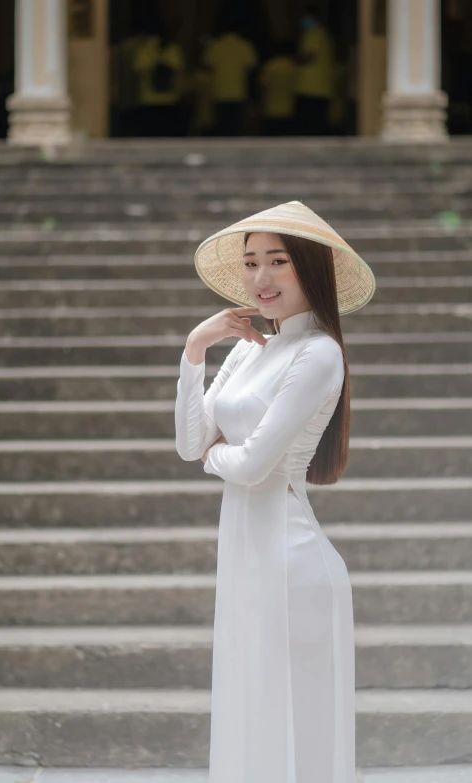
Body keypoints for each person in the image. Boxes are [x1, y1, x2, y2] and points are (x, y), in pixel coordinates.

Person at [175, 200, 376, 782]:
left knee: (300, 727)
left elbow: (254, 466)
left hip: (292, 566)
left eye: (278, 261)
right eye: (251, 263)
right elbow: (192, 444)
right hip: (246, 556)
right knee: (252, 712)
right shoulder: (247, 348)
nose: (261, 278)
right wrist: (195, 349)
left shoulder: (319, 353)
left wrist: (218, 455)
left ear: (310, 268)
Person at [203, 21, 258, 135]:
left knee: (222, 123)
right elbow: (251, 66)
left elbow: (207, 65)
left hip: (220, 90)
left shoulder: (216, 45)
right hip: (238, 91)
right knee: (236, 123)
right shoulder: (244, 45)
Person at [132, 29, 185, 137]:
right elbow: (180, 72)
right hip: (170, 99)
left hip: (148, 99)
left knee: (150, 136)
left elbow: (137, 71)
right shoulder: (173, 49)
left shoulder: (144, 50)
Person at [294, 3, 335, 135]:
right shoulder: (324, 35)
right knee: (318, 123)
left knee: (309, 125)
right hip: (322, 87)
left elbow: (308, 56)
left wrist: (295, 60)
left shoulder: (312, 34)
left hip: (310, 87)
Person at [259, 40, 299, 136]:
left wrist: (260, 105)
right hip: (289, 109)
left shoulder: (270, 66)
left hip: (271, 109)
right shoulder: (293, 66)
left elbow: (262, 86)